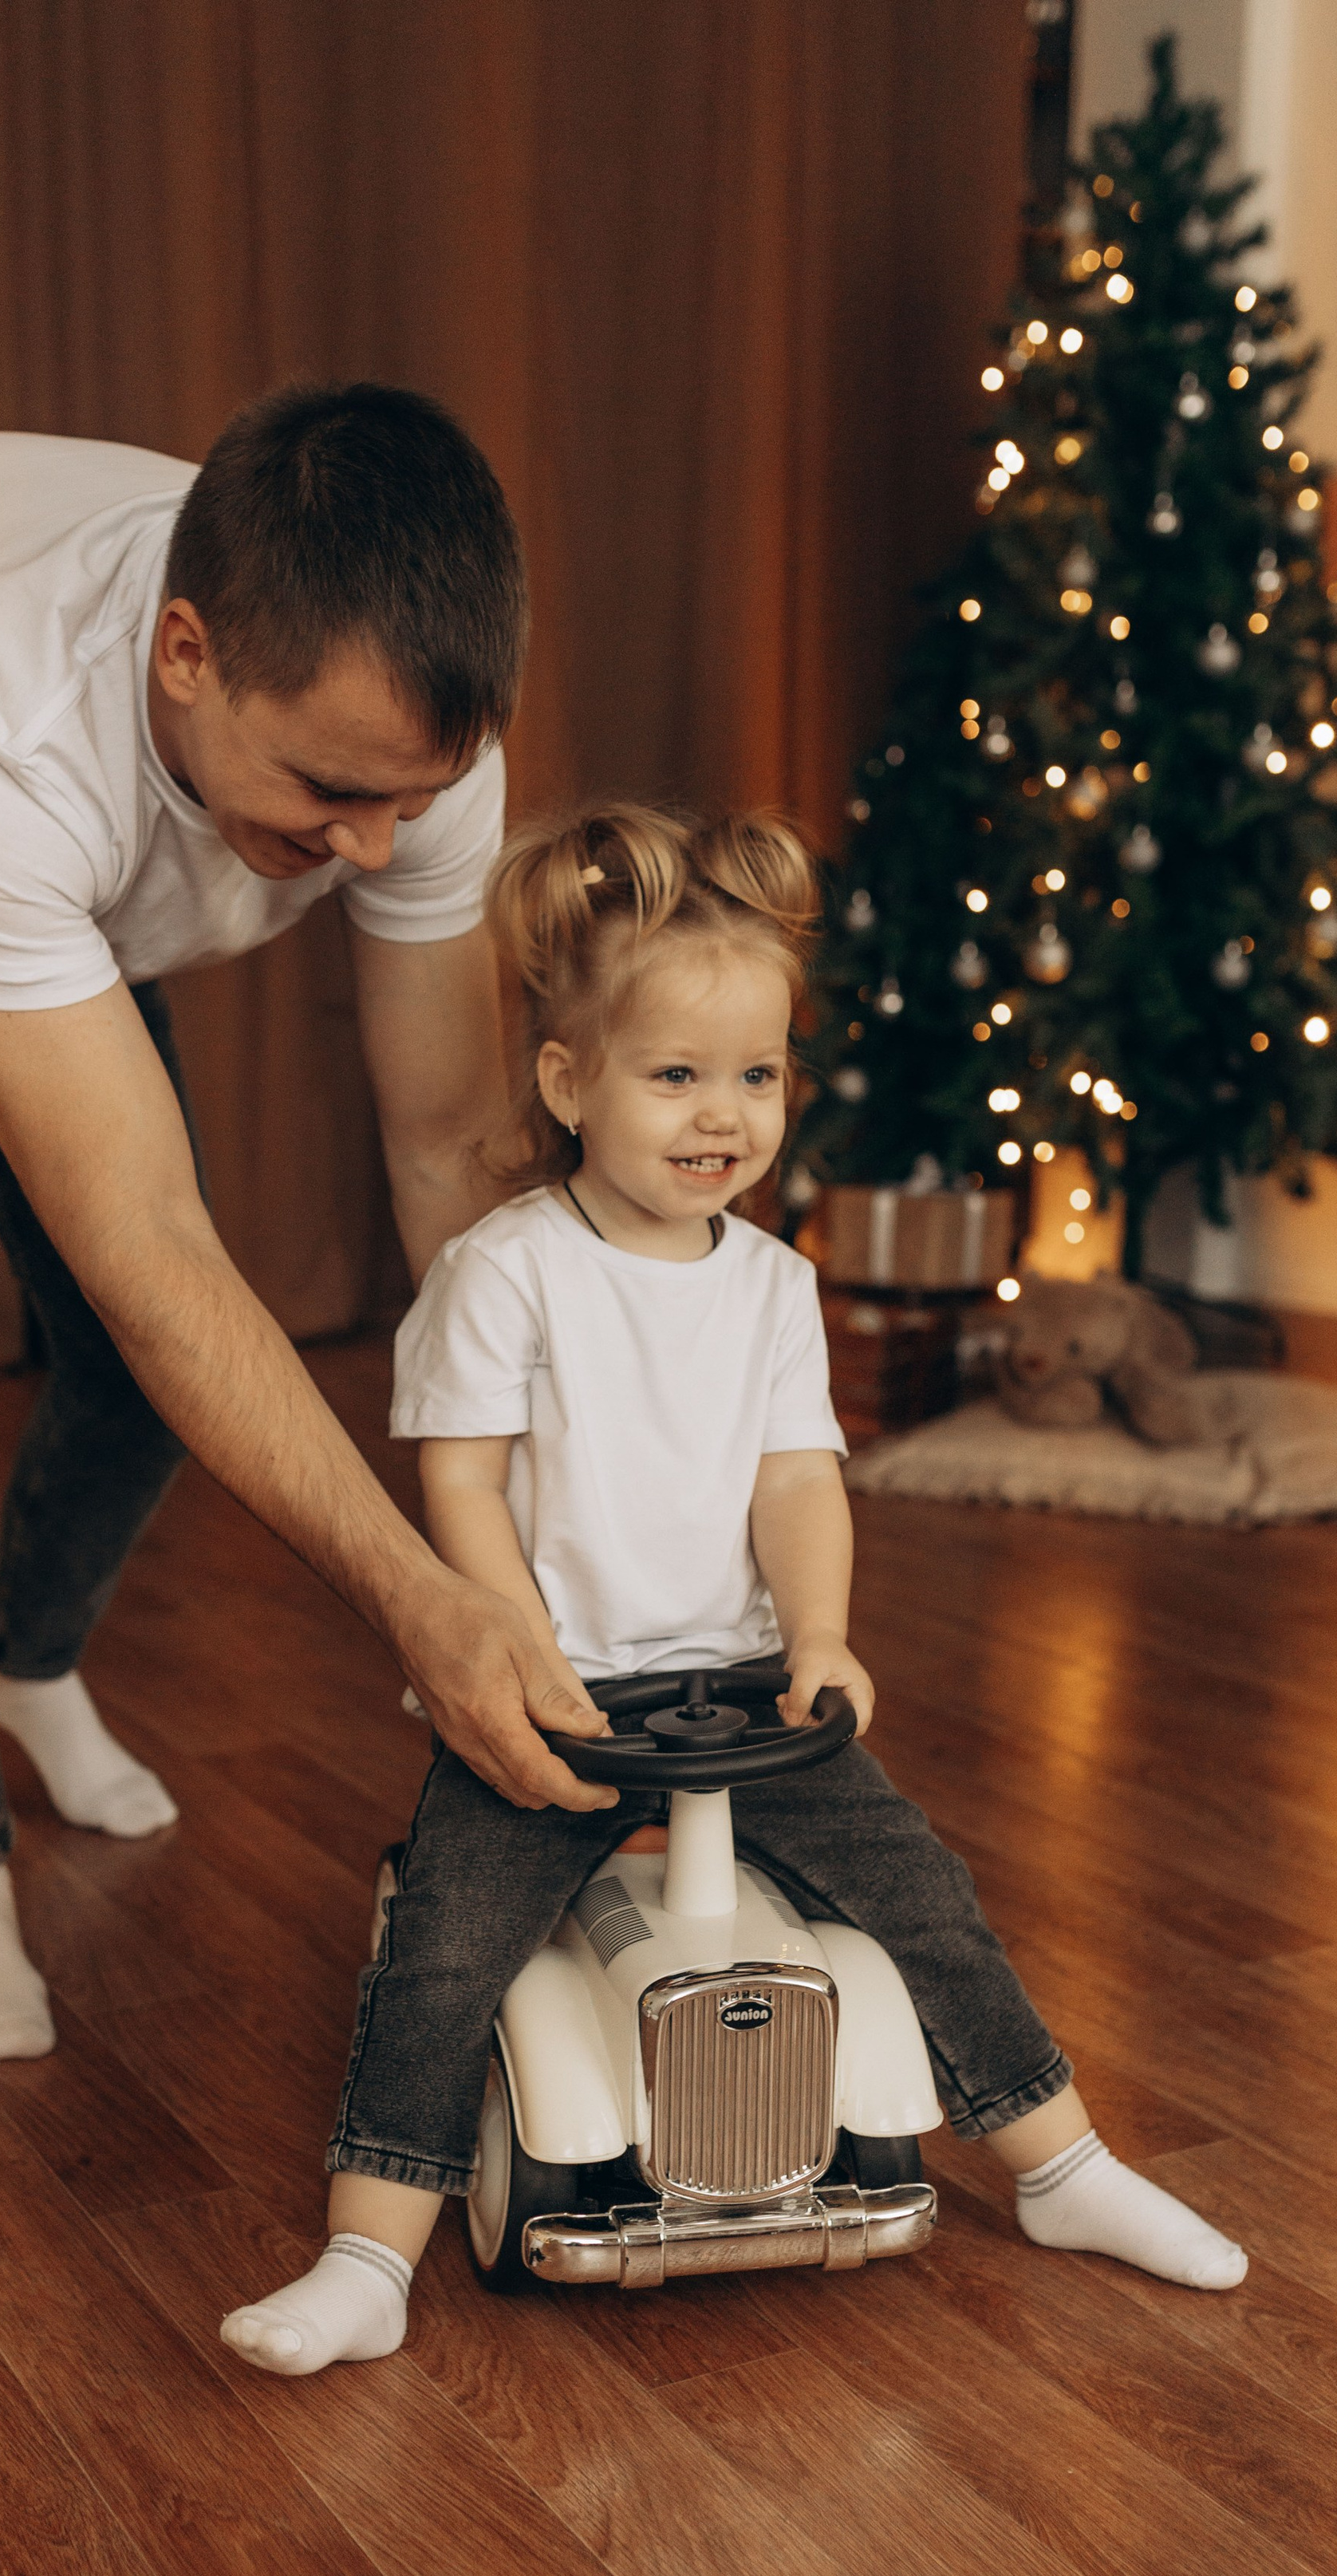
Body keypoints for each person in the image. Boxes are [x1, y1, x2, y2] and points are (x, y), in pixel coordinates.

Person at [0, 383, 619, 2069]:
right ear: (183, 654)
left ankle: (30, 1663)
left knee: (125, 1364)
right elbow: (149, 1246)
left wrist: (530, 1519)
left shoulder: (407, 748)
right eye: (326, 794)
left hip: (30, 892)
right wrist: (412, 1600)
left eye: (408, 801)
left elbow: (451, 1149)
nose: (374, 849)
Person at [221, 802, 1248, 2376]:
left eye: (755, 1076)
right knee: (446, 1944)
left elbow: (792, 1481)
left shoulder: (772, 1285)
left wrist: (819, 1637)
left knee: (917, 1895)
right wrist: (511, 1648)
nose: (722, 1116)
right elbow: (459, 1486)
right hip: (554, 1681)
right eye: (674, 1075)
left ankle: (1057, 2166)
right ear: (568, 1082)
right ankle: (369, 2252)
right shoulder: (507, 1271)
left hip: (738, 1685)